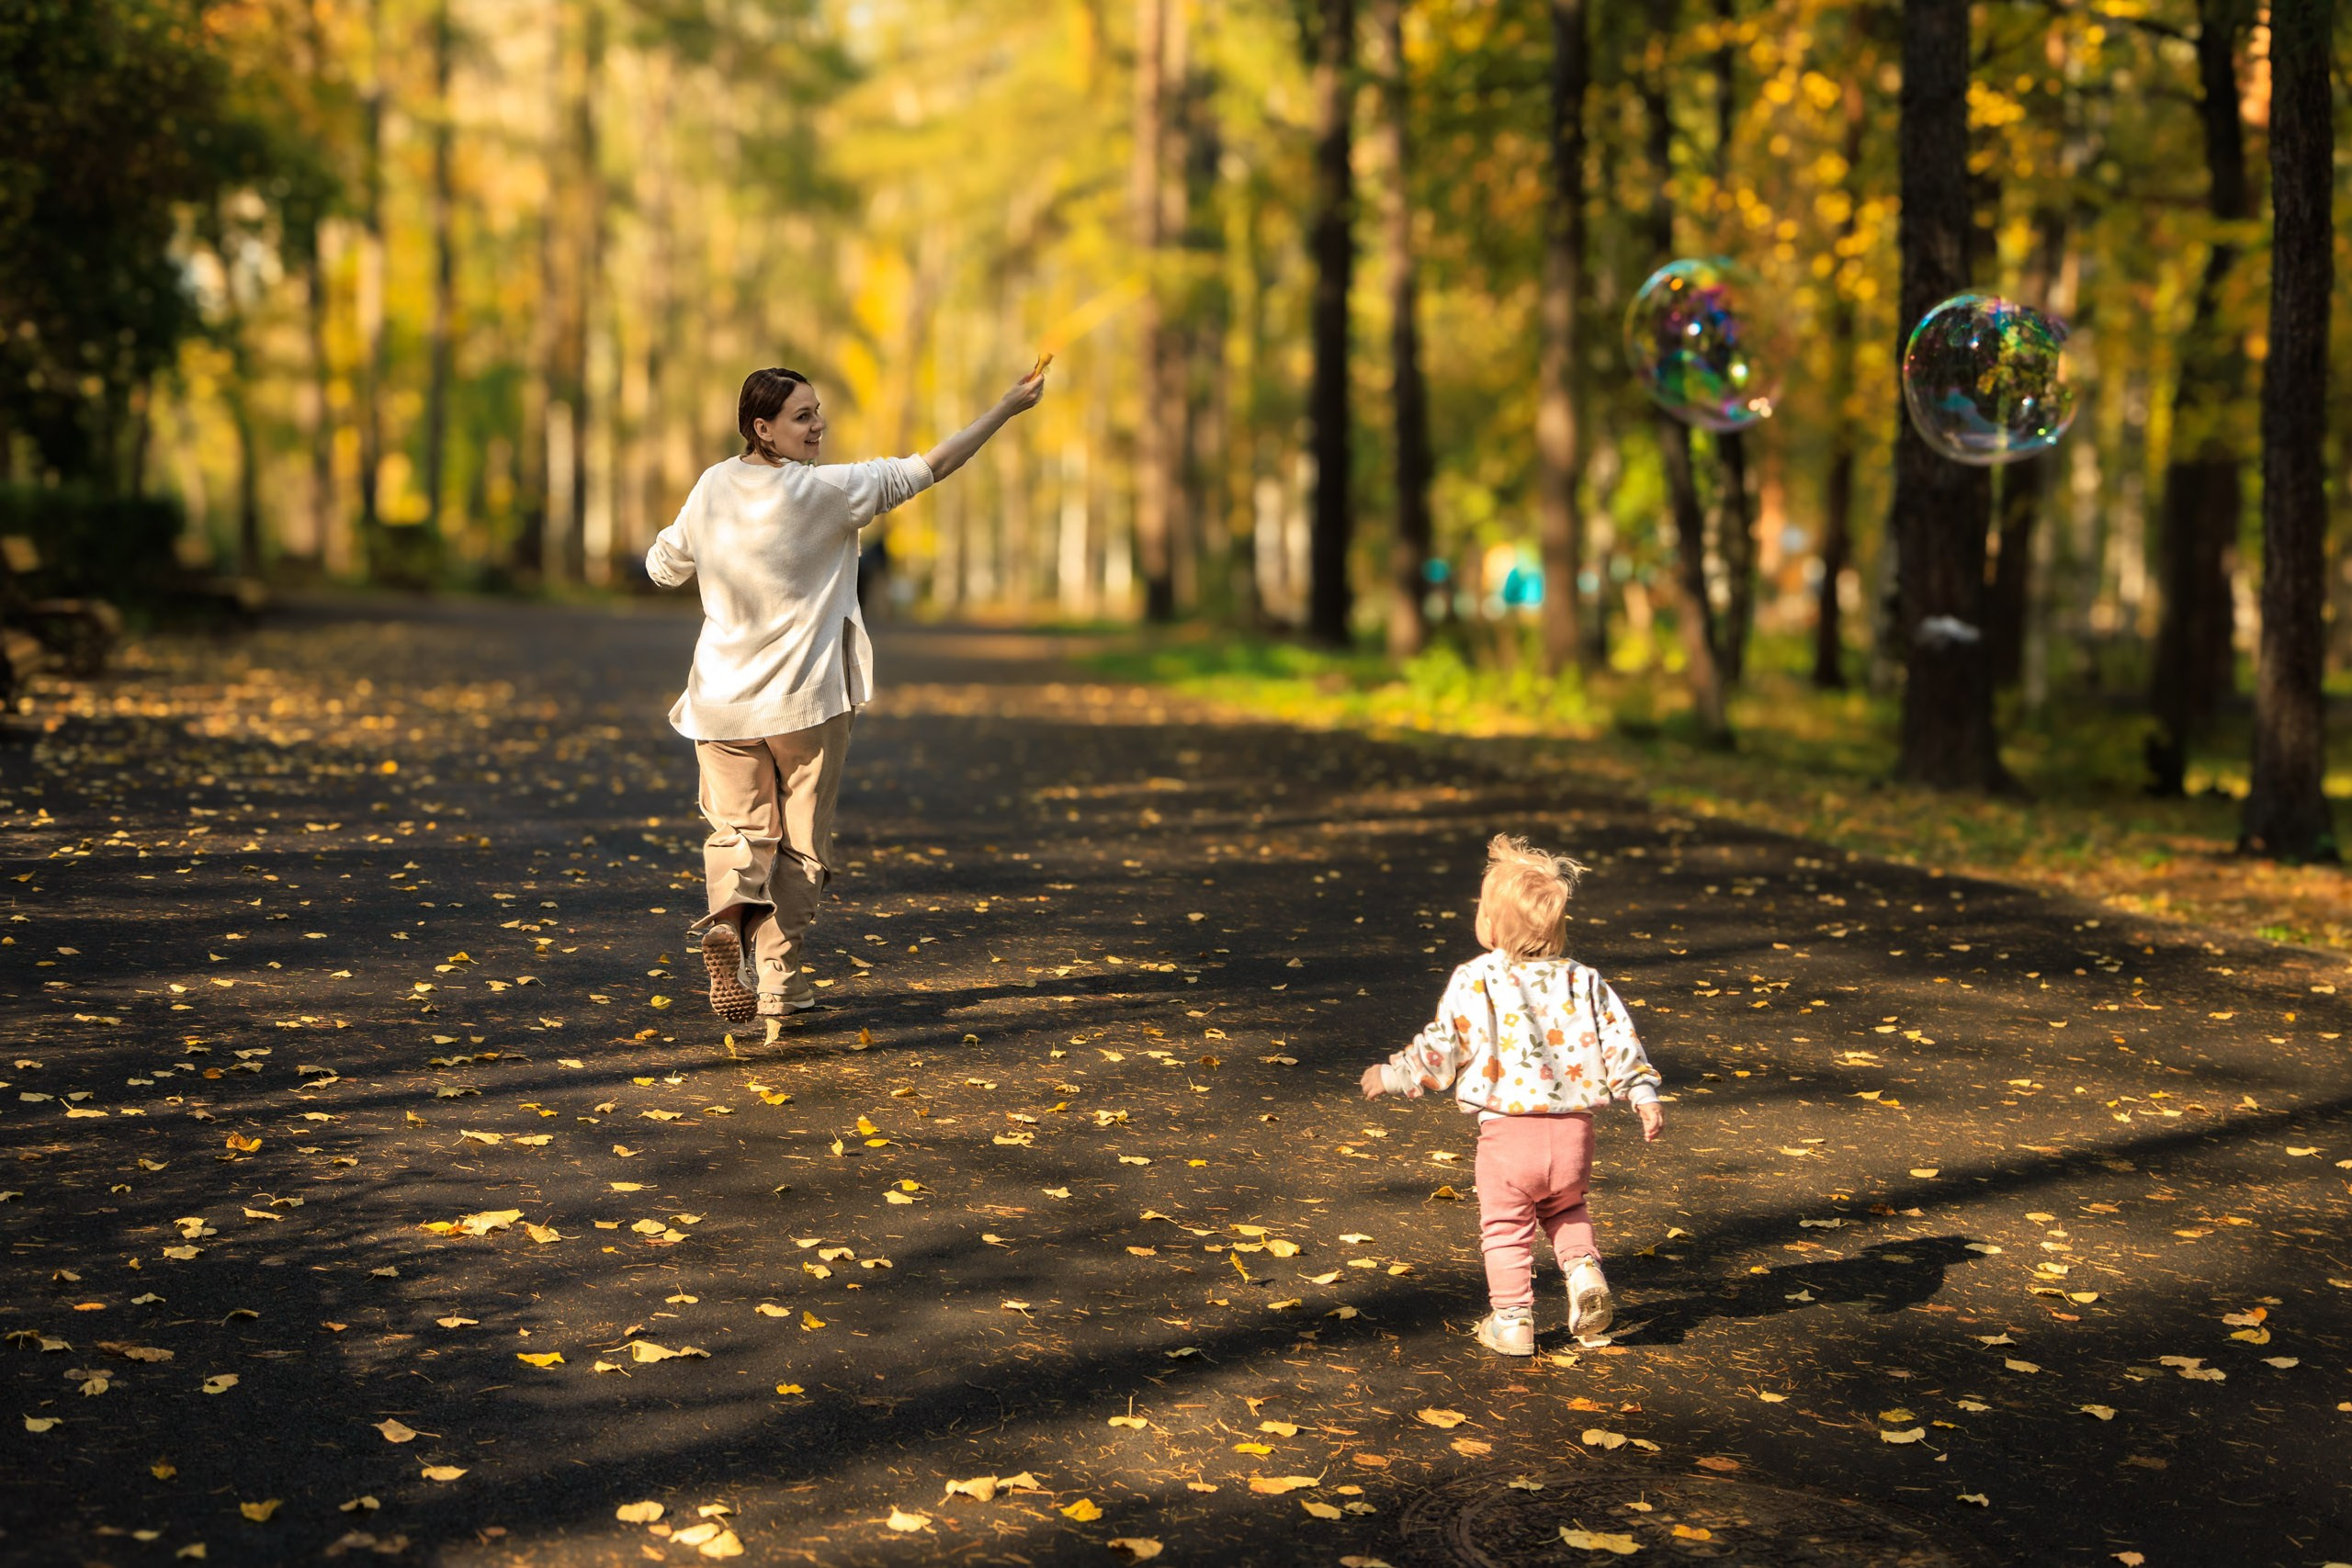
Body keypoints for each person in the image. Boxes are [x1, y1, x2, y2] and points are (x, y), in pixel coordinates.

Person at [646, 362, 1046, 1022]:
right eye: (802, 416)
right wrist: (1004, 408)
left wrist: (696, 555)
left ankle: (728, 924)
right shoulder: (829, 492)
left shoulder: (713, 484)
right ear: (762, 428)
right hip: (804, 704)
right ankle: (777, 977)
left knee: (741, 833)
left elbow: (665, 565)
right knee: (801, 845)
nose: (818, 425)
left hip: (719, 700)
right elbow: (930, 466)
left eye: (818, 412)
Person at [1360, 834, 1665, 1357]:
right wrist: (1642, 1093)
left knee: (1505, 1229)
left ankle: (1513, 1321)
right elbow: (1620, 1038)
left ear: (1493, 926)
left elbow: (1443, 1047)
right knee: (1566, 1208)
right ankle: (1585, 1273)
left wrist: (1395, 1075)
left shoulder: (1475, 979)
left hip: (1507, 1135)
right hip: (1573, 1136)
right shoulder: (1585, 981)